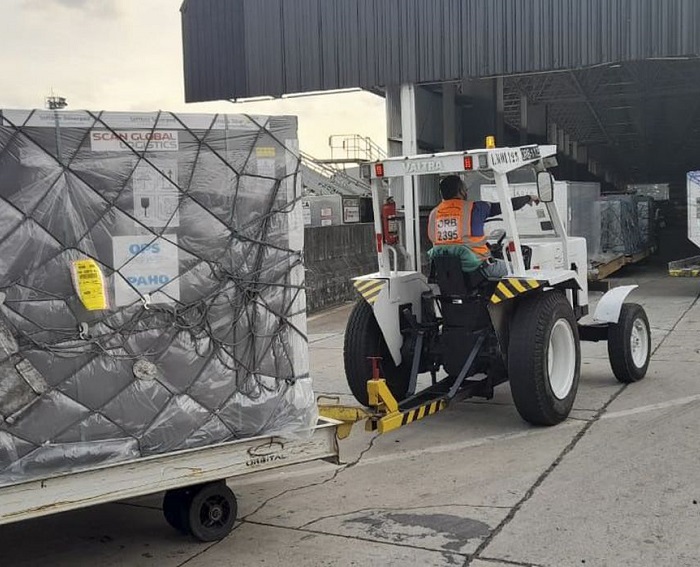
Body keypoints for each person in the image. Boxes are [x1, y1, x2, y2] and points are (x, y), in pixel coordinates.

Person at [427, 175, 539, 278]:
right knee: (518, 268)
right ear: (461, 191)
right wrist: (528, 198)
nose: (466, 191)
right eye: (465, 189)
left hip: (446, 271)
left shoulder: (434, 213)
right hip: (478, 268)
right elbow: (507, 206)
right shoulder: (476, 208)